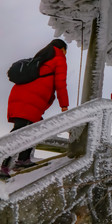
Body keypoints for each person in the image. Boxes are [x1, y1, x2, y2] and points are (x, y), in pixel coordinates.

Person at [1, 39, 69, 179]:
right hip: (30, 99)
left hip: (21, 96)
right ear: (62, 49)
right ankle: (4, 165)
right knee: (21, 131)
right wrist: (64, 105)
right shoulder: (58, 58)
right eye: (65, 51)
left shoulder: (42, 57)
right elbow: (60, 84)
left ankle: (23, 159)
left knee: (30, 129)